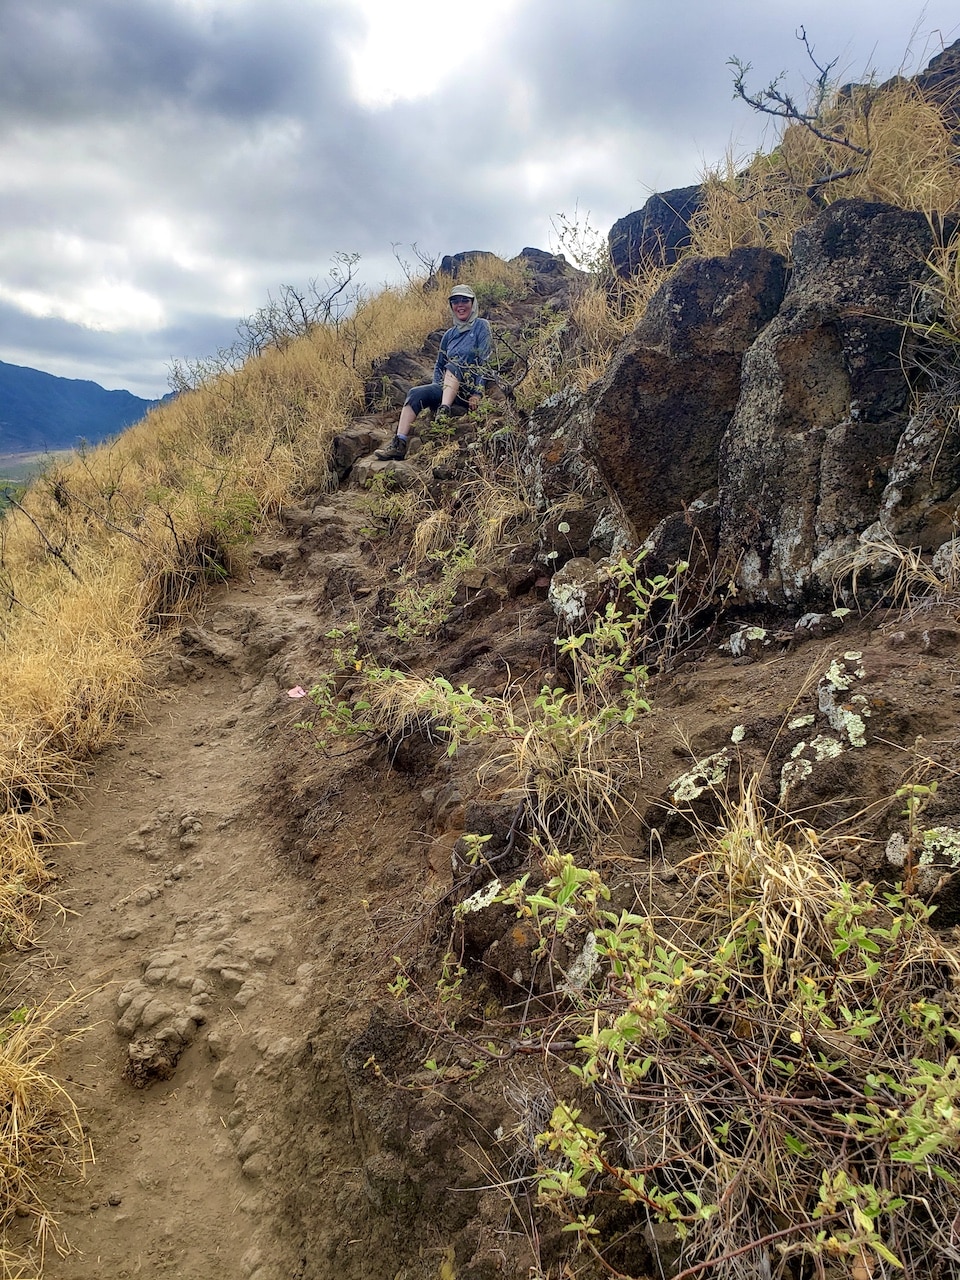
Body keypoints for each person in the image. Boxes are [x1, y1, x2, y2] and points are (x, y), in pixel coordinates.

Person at [375, 285, 492, 460]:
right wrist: (438, 385)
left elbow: (485, 360)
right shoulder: (449, 335)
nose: (460, 305)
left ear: (473, 303)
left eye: (465, 300)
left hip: (467, 387)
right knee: (414, 393)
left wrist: (477, 393)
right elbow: (439, 365)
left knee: (455, 364)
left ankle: (444, 411)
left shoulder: (481, 326)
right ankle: (399, 443)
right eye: (455, 301)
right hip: (448, 387)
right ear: (451, 305)